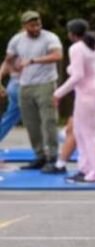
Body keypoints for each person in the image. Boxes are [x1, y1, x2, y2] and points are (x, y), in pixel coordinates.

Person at [3, 11, 63, 172]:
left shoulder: (50, 37)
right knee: (31, 123)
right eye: (32, 25)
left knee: (49, 121)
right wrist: (10, 69)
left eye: (38, 24)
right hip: (24, 85)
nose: (36, 28)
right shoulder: (17, 39)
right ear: (24, 26)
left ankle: (53, 156)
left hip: (45, 84)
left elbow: (58, 55)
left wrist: (33, 60)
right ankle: (39, 156)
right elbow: (8, 58)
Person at [53, 19, 95, 184]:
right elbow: (93, 72)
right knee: (80, 132)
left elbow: (77, 76)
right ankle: (85, 168)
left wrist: (58, 93)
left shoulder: (76, 48)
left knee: (87, 134)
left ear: (71, 34)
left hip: (89, 93)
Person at [0, 56, 21, 143]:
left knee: (10, 116)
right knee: (38, 114)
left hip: (14, 84)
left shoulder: (14, 44)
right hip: (22, 85)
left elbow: (6, 61)